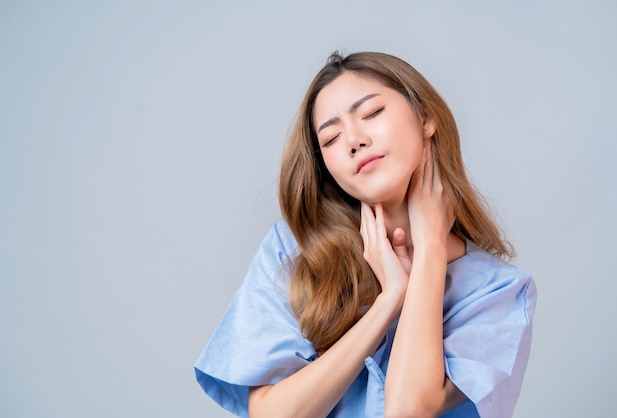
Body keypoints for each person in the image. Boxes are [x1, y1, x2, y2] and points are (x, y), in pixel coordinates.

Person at [194, 51, 537, 418]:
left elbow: (408, 410)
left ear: (425, 118)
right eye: (331, 138)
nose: (354, 140)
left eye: (372, 113)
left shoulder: (500, 293)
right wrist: (390, 299)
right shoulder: (293, 251)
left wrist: (431, 252)